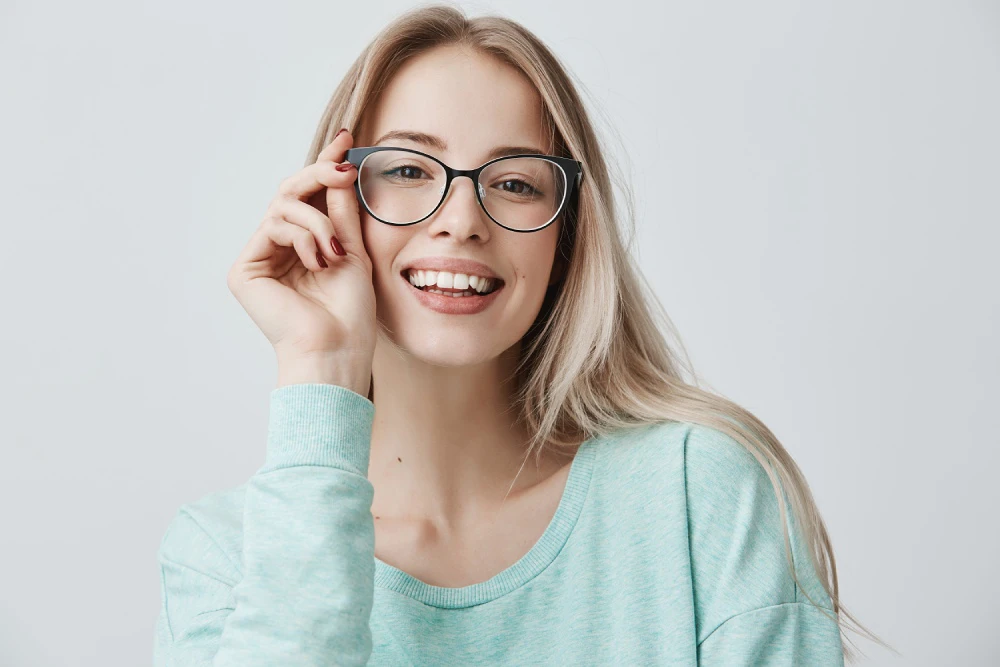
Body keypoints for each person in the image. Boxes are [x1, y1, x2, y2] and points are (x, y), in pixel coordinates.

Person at [154, 5, 890, 665]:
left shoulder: (702, 492)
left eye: (514, 182)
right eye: (409, 168)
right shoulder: (223, 556)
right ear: (333, 202)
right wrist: (318, 367)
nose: (462, 219)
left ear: (567, 238)